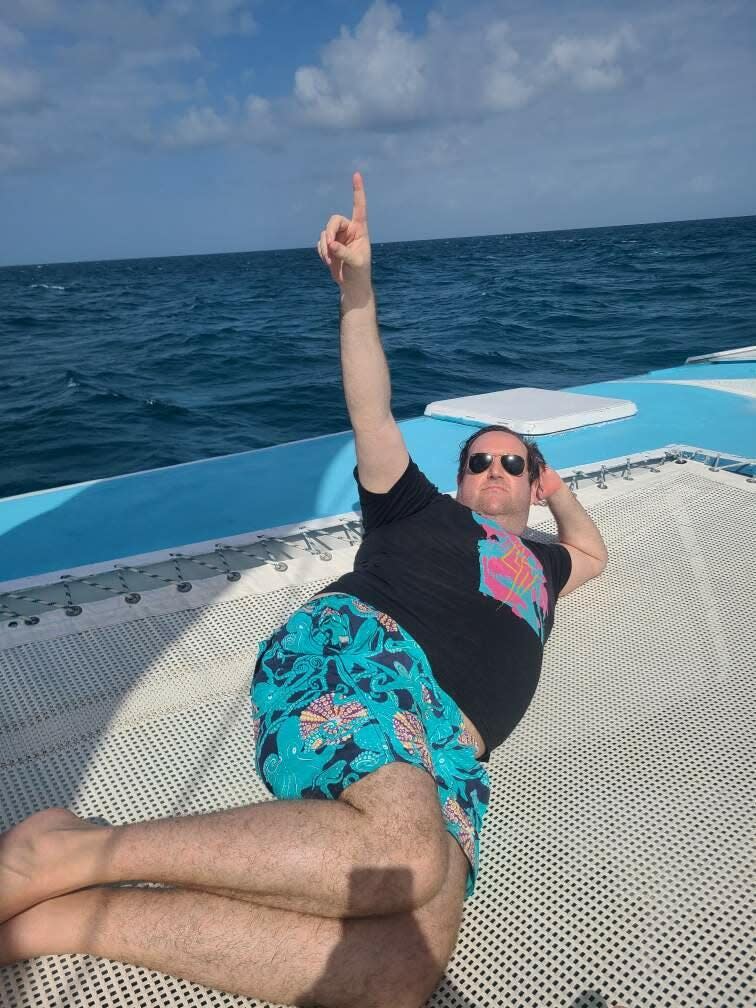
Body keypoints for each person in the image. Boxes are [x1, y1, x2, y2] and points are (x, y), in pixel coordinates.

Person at [0, 174, 607, 1008]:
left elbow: (591, 552)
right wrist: (358, 291)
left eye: (515, 463)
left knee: (401, 974)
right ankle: (69, 859)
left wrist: (557, 487)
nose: (497, 471)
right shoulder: (416, 509)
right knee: (406, 849)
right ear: (459, 479)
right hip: (368, 654)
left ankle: (62, 920)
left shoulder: (543, 567)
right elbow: (373, 409)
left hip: (457, 755)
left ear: (532, 482)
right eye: (482, 460)